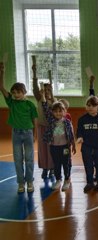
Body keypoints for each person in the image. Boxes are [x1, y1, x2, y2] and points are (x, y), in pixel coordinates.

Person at [0, 62, 38, 193]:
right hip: (16, 133)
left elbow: (34, 120)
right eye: (14, 92)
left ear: (24, 92)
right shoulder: (11, 103)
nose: (16, 95)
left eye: (19, 92)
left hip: (28, 133)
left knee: (29, 159)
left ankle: (30, 182)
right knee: (17, 159)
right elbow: (1, 87)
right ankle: (21, 183)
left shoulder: (30, 104)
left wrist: (35, 135)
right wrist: (2, 71)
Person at [40, 91, 76, 191]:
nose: (58, 113)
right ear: (52, 112)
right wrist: (43, 96)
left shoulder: (67, 122)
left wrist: (73, 145)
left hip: (65, 147)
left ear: (64, 112)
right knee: (56, 163)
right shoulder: (51, 120)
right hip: (54, 147)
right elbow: (45, 108)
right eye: (55, 111)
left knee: (66, 163)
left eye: (60, 111)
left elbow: (71, 134)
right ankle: (58, 179)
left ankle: (67, 180)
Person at [77, 96, 98, 193]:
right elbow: (79, 131)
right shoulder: (82, 119)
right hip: (86, 147)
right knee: (88, 165)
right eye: (88, 105)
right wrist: (80, 137)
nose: (90, 107)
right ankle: (89, 182)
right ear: (86, 107)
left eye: (93, 106)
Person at [32, 63, 55, 179]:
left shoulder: (53, 101)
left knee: (51, 149)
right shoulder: (39, 99)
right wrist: (35, 74)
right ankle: (45, 169)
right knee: (42, 149)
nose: (46, 91)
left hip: (52, 128)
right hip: (41, 127)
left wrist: (51, 93)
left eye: (48, 89)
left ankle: (52, 168)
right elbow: (35, 88)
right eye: (45, 90)